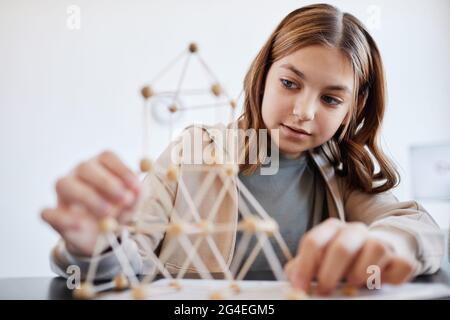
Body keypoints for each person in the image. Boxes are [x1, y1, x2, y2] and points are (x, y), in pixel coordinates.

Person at [42, 3, 444, 295]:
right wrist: (97, 244)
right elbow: (130, 257)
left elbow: (420, 229)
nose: (303, 112)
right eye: (290, 83)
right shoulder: (195, 148)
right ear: (264, 76)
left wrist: (388, 245)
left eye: (330, 99)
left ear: (352, 108)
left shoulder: (341, 173)